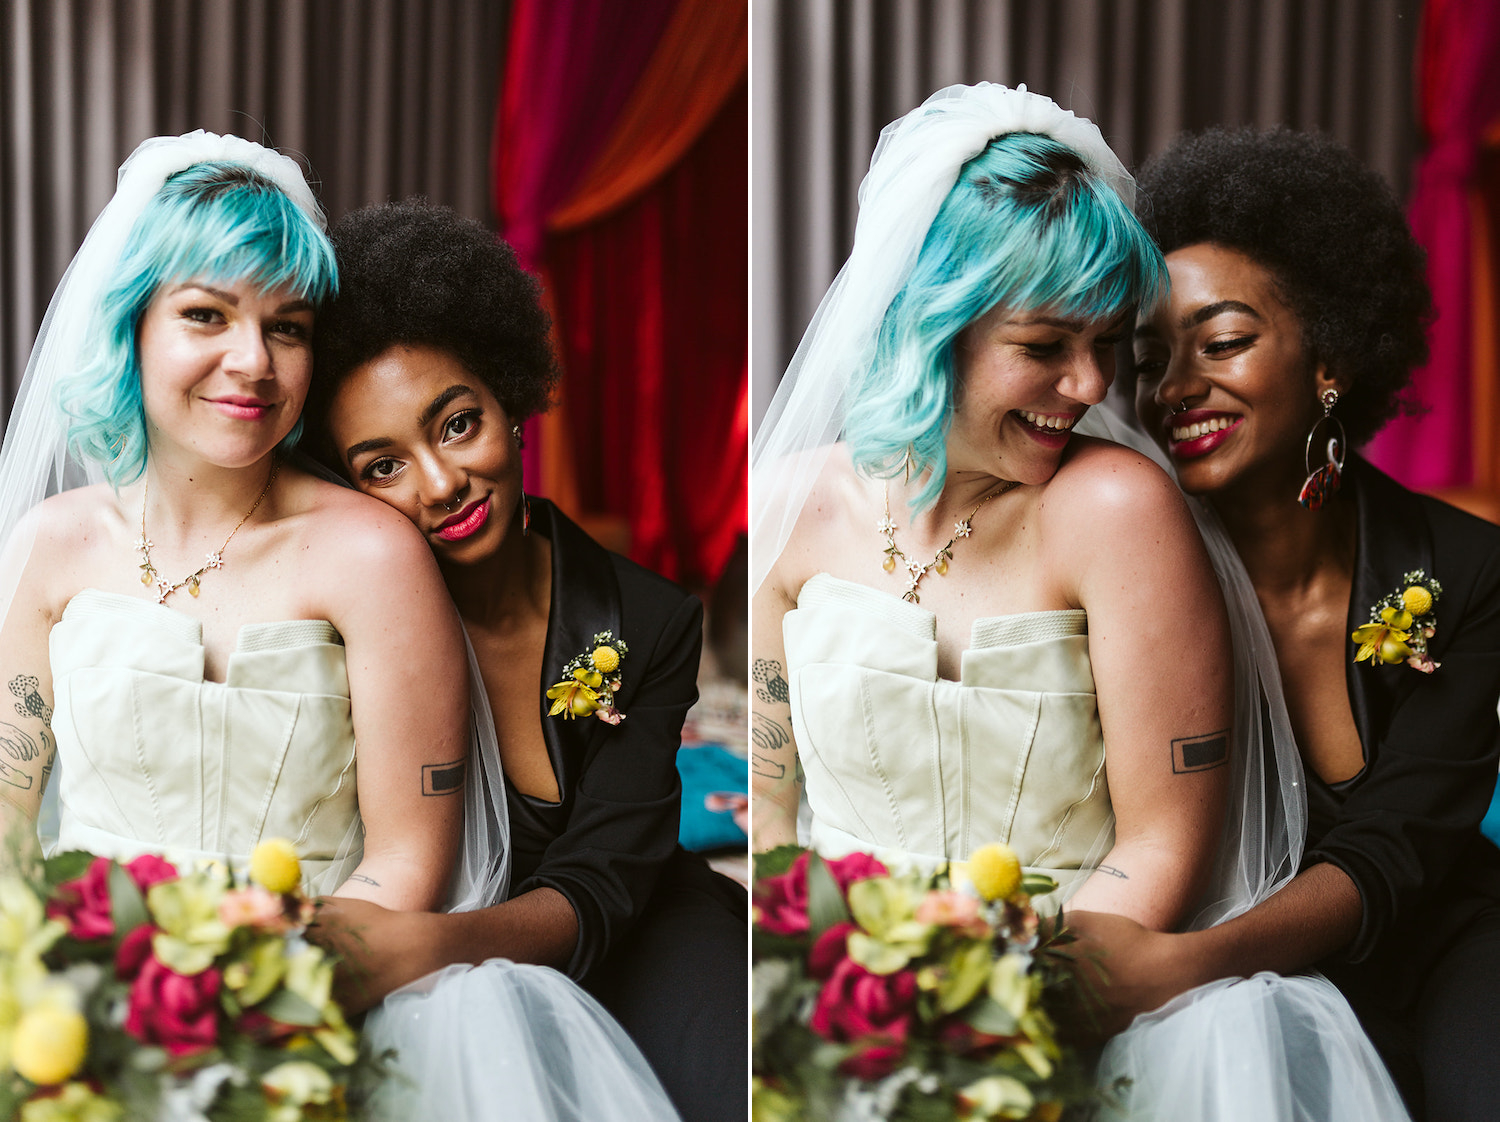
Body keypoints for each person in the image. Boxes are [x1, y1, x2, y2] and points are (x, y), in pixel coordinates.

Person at [750, 84, 1411, 1121]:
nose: (1091, 385)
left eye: (1106, 345)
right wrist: (820, 984)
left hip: (1072, 987)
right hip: (833, 993)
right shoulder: (789, 511)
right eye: (1046, 345)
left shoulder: (1116, 507)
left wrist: (993, 1009)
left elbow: (1161, 844)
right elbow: (772, 816)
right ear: (935, 322)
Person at [0, 132, 678, 1121]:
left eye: (289, 326)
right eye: (206, 315)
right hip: (77, 979)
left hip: (311, 982)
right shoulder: (49, 547)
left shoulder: (370, 552)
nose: (253, 361)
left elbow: (411, 858)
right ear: (129, 326)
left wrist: (258, 987)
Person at [1068, 126, 1500, 1122]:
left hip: (1436, 947)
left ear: (1332, 356)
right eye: (1150, 358)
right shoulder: (1133, 566)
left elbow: (1397, 849)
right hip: (1228, 970)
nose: (1175, 388)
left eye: (1222, 342)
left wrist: (1177, 970)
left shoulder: (1468, 573)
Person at [303, 199, 748, 1122]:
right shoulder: (340, 617)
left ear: (511, 402)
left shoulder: (651, 622)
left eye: (456, 423)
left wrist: (420, 949)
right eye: (382, 466)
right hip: (437, 966)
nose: (440, 483)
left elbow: (601, 884)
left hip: (638, 927)